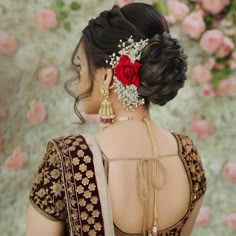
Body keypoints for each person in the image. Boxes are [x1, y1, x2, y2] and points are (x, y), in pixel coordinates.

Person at [26, 3, 207, 236]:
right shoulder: (187, 155)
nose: (79, 79)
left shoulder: (68, 158)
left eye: (81, 67)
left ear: (106, 76)